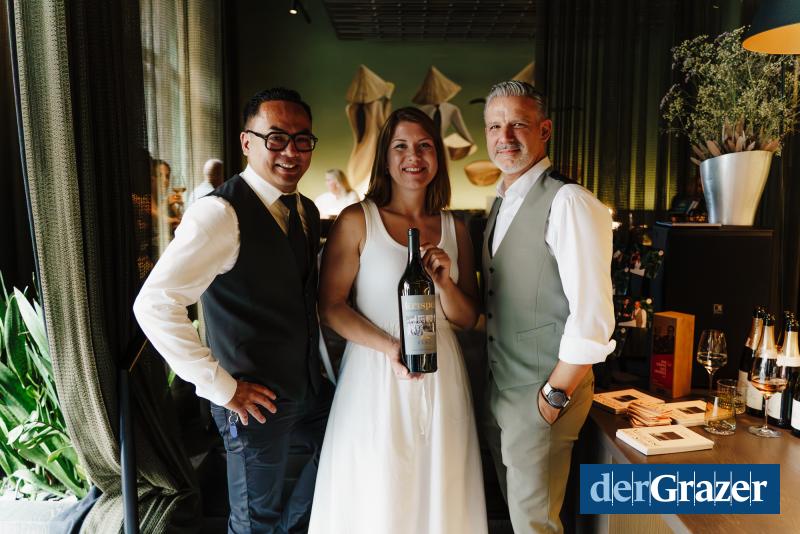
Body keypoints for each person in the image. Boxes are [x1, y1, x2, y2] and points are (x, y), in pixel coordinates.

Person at [134, 87, 332, 534]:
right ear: (247, 142)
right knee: (253, 521)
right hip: (251, 401)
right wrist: (221, 388)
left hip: (307, 387)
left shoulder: (306, 209)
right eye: (276, 138)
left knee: (344, 452)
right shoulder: (220, 213)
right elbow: (155, 303)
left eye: (302, 140)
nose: (291, 151)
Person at [308, 107, 487, 534]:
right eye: (401, 146)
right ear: (386, 159)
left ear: (437, 157)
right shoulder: (358, 220)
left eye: (424, 146)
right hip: (375, 371)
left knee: (440, 487)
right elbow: (331, 307)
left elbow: (468, 318)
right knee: (379, 487)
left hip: (442, 375)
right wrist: (391, 348)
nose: (414, 156)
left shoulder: (456, 229)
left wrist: (444, 283)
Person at [481, 80, 615, 533]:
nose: (505, 137)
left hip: (542, 395)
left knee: (535, 526)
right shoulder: (500, 203)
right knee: (522, 521)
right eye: (494, 126)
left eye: (518, 124)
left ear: (544, 130)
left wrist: (552, 398)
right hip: (501, 393)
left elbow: (593, 318)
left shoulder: (569, 202)